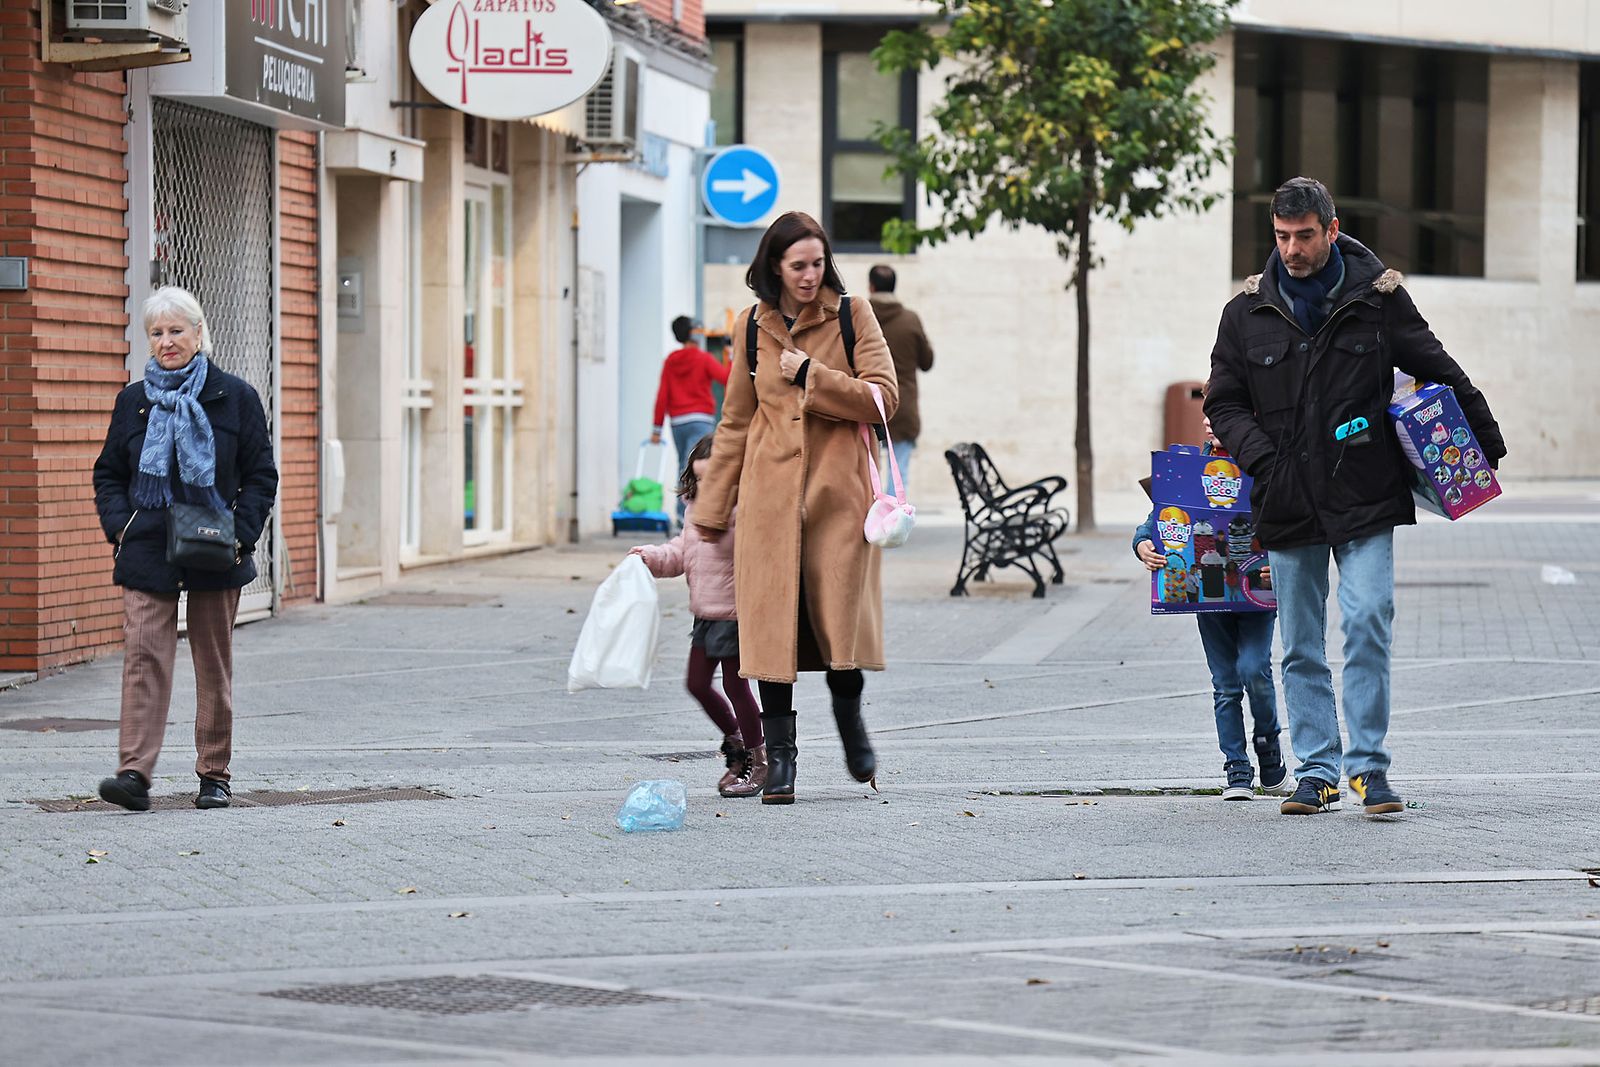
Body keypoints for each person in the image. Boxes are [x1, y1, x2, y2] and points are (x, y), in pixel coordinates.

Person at [1204, 176, 1505, 816]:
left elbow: (1440, 368)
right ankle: (1317, 771)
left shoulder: (1379, 301)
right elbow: (1224, 402)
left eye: (1304, 236)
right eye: (1282, 237)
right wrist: (1262, 460)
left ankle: (1369, 768)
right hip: (1287, 498)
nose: (1292, 250)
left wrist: (1485, 440)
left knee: (1369, 622)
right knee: (1300, 644)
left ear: (1331, 230)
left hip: (1365, 490)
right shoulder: (1245, 313)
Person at [693, 211, 899, 805]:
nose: (810, 276)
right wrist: (713, 506)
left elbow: (885, 400)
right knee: (771, 633)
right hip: (769, 499)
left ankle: (850, 723)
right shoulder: (751, 327)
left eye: (817, 263)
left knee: (838, 624)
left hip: (838, 498)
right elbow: (735, 420)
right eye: (797, 266)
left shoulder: (851, 314)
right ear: (774, 268)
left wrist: (813, 373)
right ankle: (781, 761)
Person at [92, 286, 279, 812]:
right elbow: (109, 473)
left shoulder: (234, 397)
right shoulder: (134, 401)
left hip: (215, 545)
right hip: (148, 544)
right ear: (148, 340)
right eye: (157, 333)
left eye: (177, 331)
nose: (167, 341)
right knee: (144, 657)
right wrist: (120, 526)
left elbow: (261, 475)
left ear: (199, 334)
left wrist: (240, 533)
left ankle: (213, 773)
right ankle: (133, 774)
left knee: (211, 662)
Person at [1135, 418, 1291, 802]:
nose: (1206, 421)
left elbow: (1292, 521)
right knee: (1224, 685)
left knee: (1255, 670)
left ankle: (1268, 746)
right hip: (1209, 597)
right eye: (1205, 413)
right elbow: (1153, 524)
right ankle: (1236, 767)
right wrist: (1143, 546)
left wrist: (1282, 560)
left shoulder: (1266, 462)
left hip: (1256, 596)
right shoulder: (1187, 469)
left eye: (1215, 412)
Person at [630, 433, 766, 798]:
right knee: (695, 683)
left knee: (736, 686)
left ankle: (758, 759)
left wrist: (719, 525)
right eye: (699, 478)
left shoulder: (742, 508)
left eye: (713, 478)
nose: (706, 486)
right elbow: (681, 551)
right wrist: (650, 558)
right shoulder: (695, 508)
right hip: (705, 611)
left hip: (734, 610)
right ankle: (738, 744)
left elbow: (746, 549)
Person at [650, 315, 729, 523]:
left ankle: (680, 513)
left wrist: (656, 428)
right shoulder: (703, 359)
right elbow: (727, 378)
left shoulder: (671, 361)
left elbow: (662, 394)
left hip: (677, 422)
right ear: (692, 333)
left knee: (683, 465)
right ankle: (692, 513)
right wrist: (729, 356)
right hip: (701, 418)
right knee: (699, 465)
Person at [866, 265, 934, 492]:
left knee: (865, 473)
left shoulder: (859, 319)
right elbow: (927, 362)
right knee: (898, 476)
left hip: (866, 405)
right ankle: (892, 526)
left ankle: (867, 525)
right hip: (902, 408)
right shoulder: (910, 320)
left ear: (871, 286)